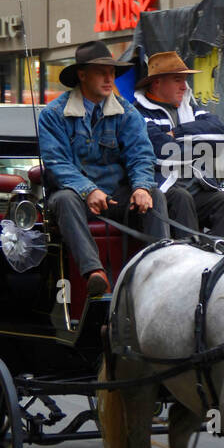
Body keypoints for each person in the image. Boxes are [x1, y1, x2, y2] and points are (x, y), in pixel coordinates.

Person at [38, 40, 169, 296]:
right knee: (64, 199)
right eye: (101, 72)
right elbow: (57, 163)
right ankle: (94, 274)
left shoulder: (127, 113)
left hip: (116, 198)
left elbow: (141, 155)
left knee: (155, 195)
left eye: (112, 72)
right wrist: (88, 191)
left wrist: (141, 187)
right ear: (82, 75)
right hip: (76, 198)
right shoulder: (53, 114)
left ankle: (161, 269)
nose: (109, 78)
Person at [134, 50, 224, 240]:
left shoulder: (190, 108)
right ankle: (190, 258)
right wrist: (199, 145)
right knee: (181, 197)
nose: (184, 87)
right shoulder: (138, 114)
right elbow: (162, 153)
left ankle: (222, 259)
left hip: (197, 186)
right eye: (178, 80)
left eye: (185, 80)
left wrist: (177, 134)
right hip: (161, 191)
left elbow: (219, 134)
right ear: (157, 82)